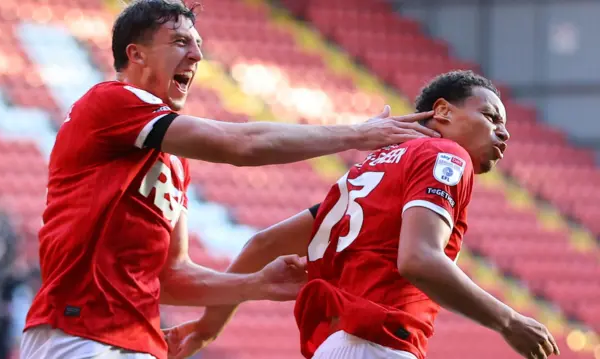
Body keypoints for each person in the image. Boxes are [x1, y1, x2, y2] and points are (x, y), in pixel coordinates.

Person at [18, 1, 438, 359]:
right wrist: (357, 134)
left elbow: (170, 276)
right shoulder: (111, 101)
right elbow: (239, 145)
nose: (197, 56)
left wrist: (255, 285)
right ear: (137, 55)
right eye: (180, 42)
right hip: (77, 331)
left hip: (139, 340)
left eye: (198, 45)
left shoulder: (174, 161)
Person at [168, 70, 561, 359]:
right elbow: (419, 259)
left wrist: (208, 326)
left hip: (339, 347)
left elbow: (263, 243)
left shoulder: (371, 171)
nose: (503, 133)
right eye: (492, 117)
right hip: (382, 344)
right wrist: (508, 321)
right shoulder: (446, 155)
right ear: (441, 111)